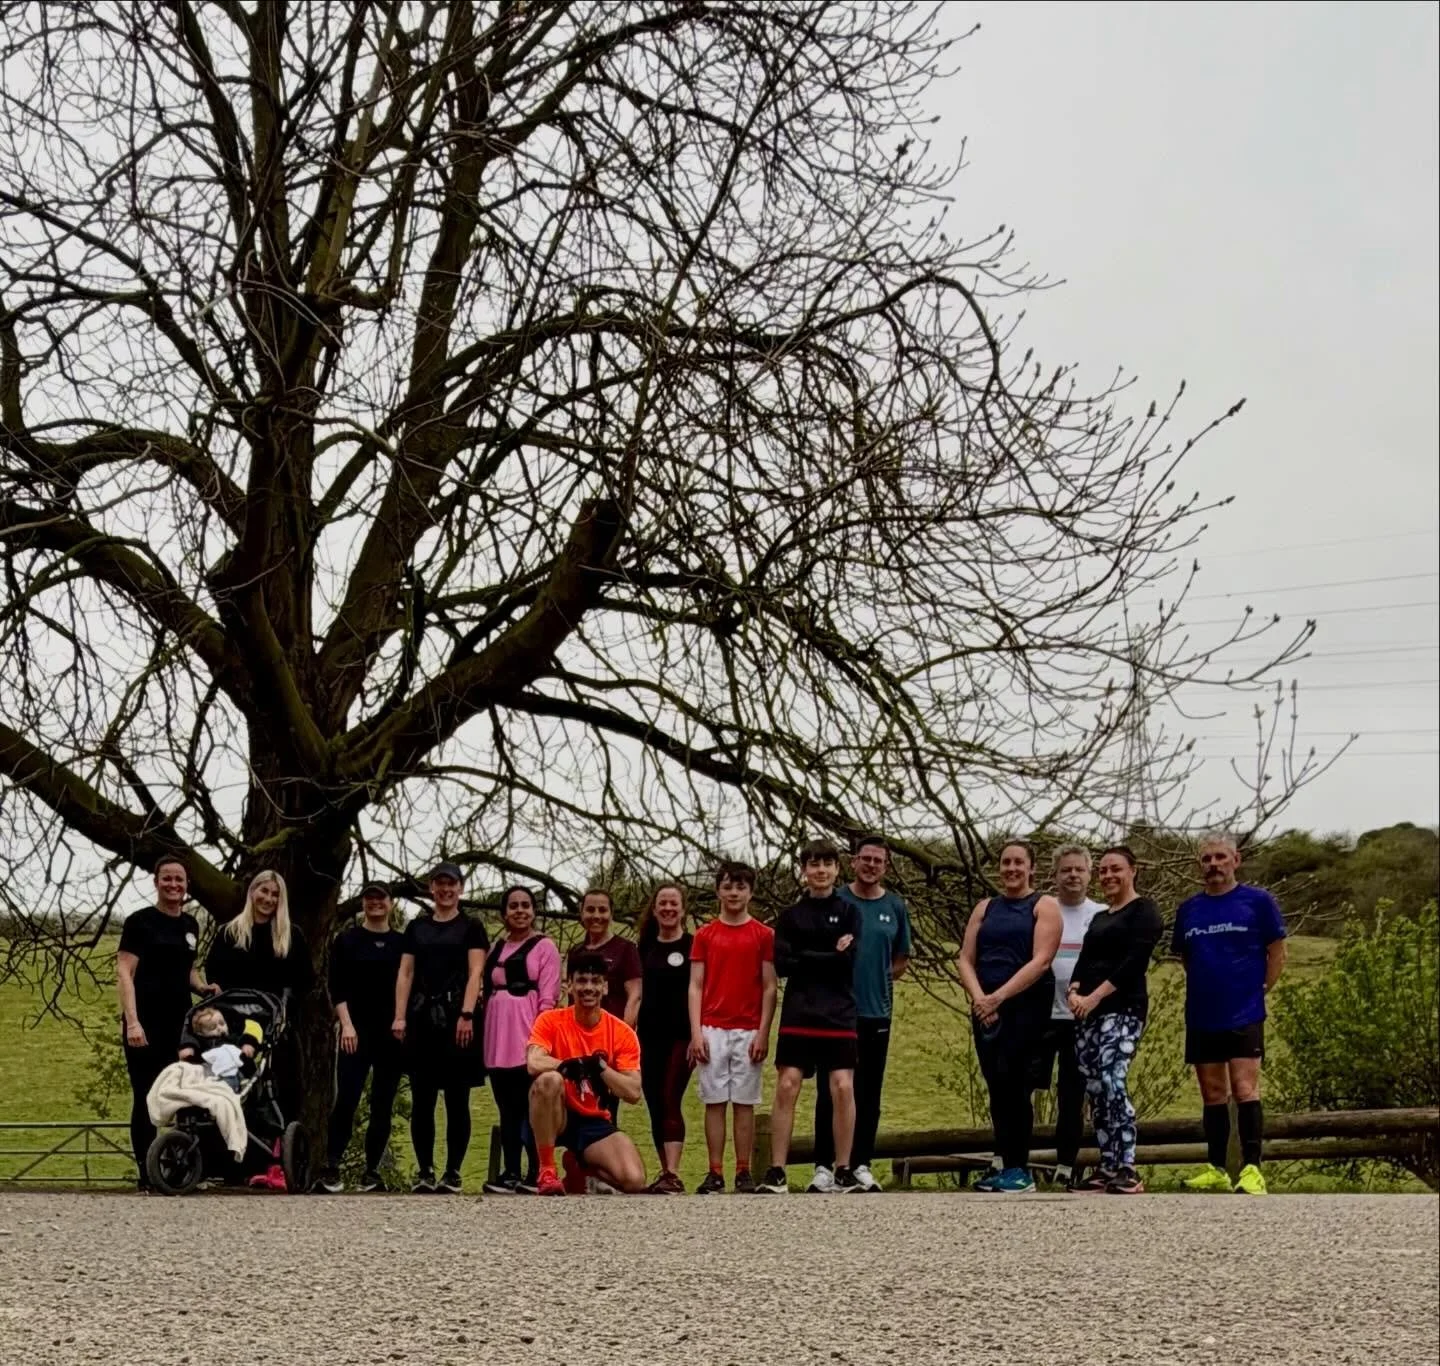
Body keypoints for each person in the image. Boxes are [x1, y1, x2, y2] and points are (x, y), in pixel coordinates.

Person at [1172, 832, 1287, 1196]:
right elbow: (1186, 957)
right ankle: (1216, 1168)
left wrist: (1260, 989)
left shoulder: (1258, 902)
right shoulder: (1188, 909)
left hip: (1244, 1011)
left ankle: (1252, 1169)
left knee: (1244, 1088)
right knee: (1212, 1093)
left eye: (1220, 857)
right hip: (1202, 1012)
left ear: (1235, 860)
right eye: (1207, 859)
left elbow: (1277, 952)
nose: (1214, 865)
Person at [755, 837, 861, 1195]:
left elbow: (848, 961)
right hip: (800, 1012)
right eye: (814, 864)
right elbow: (784, 965)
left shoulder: (850, 913)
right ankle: (777, 1171)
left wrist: (808, 955)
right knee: (787, 1086)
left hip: (839, 1012)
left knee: (842, 1087)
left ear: (836, 869)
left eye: (827, 863)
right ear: (803, 870)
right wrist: (829, 954)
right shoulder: (789, 916)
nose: (820, 870)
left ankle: (843, 1169)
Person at [956, 840, 1062, 1194]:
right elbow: (965, 958)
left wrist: (999, 998)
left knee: (1018, 1088)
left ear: (1031, 868)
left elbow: (1041, 960)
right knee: (997, 1087)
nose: (1011, 869)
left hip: (1025, 1008)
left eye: (1019, 862)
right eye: (1006, 862)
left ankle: (1020, 1169)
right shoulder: (985, 907)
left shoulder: (1044, 906)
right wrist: (980, 999)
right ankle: (1002, 1164)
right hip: (986, 1010)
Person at [811, 834, 912, 1193]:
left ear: (886, 866)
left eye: (878, 860)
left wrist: (879, 977)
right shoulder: (836, 900)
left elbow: (901, 959)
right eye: (865, 858)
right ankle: (824, 1166)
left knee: (869, 1092)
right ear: (853, 861)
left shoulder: (895, 906)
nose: (871, 865)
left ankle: (859, 1164)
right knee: (831, 1091)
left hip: (876, 1012)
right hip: (836, 1012)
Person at [1066, 846, 1164, 1195]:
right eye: (1104, 870)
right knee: (1094, 1087)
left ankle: (1127, 1166)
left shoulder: (1145, 911)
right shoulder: (1099, 918)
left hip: (1123, 1010)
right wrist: (1074, 991)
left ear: (1133, 871)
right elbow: (1085, 960)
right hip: (1088, 1015)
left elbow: (1134, 963)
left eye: (1116, 869)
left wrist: (1095, 997)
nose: (1108, 876)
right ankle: (1107, 1165)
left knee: (1112, 1078)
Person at [116, 857, 217, 1189]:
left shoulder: (190, 925)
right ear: (156, 882)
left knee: (185, 1096)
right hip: (145, 1023)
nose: (174, 884)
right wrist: (132, 1022)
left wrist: (202, 987)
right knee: (147, 1096)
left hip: (181, 1025)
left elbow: (187, 969)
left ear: (187, 885)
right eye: (167, 878)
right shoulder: (140, 922)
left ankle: (182, 1172)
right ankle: (147, 1174)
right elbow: (125, 972)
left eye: (179, 879)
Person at [392, 862, 488, 1194]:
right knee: (423, 1099)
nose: (446, 890)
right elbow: (405, 972)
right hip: (422, 1019)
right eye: (440, 884)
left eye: (452, 884)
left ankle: (453, 1171)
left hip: (457, 1019)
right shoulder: (416, 927)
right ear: (431, 888)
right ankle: (425, 1170)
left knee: (457, 1100)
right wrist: (400, 1016)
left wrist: (467, 1014)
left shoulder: (471, 926)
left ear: (460, 888)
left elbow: (476, 972)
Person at [526, 952, 647, 1196]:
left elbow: (633, 1092)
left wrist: (600, 1068)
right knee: (549, 1079)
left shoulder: (621, 1032)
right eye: (581, 981)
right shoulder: (550, 1020)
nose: (588, 988)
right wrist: (568, 1065)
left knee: (634, 1181)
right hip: (555, 1113)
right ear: (569, 985)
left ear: (605, 987)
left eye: (595, 981)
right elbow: (534, 1061)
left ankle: (580, 1168)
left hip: (593, 1118)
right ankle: (547, 1171)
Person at [688, 861, 777, 1194]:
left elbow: (769, 986)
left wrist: (763, 1031)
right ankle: (715, 1171)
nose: (734, 893)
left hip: (748, 1028)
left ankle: (742, 1170)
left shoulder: (764, 935)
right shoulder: (705, 935)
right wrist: (696, 1032)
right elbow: (695, 985)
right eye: (728, 886)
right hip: (712, 1027)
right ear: (718, 891)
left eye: (740, 887)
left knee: (744, 1101)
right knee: (714, 1101)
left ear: (750, 892)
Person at [204, 869, 314, 1125]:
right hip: (234, 1024)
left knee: (285, 1090)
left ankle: (279, 1142)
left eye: (275, 894)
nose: (268, 899)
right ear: (253, 892)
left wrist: (286, 1007)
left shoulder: (292, 936)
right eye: (264, 891)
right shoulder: (229, 934)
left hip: (277, 1025)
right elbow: (215, 975)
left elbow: (305, 980)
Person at [317, 883, 406, 1194]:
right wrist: (346, 1025)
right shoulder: (347, 940)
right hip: (355, 1031)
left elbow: (409, 983)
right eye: (370, 898)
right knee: (347, 1099)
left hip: (391, 1033)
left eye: (381, 898)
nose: (375, 903)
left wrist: (401, 1020)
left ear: (391, 903)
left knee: (383, 1103)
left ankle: (372, 1171)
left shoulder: (401, 943)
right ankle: (332, 1166)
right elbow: (337, 985)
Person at [481, 884, 562, 1195]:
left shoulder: (544, 947)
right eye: (513, 905)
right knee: (507, 1108)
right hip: (497, 1035)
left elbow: (548, 997)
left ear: (534, 911)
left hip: (527, 1033)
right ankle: (511, 1169)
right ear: (504, 913)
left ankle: (536, 1170)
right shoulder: (497, 947)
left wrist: (540, 1039)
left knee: (530, 1106)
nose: (519, 911)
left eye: (525, 905)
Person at [1031, 845, 1103, 1189]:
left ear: (1089, 874)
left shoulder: (1101, 914)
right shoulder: (1042, 911)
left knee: (1072, 1096)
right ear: (1055, 874)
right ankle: (1012, 1160)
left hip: (1081, 1016)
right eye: (1066, 870)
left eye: (1079, 869)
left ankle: (1066, 1165)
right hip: (1042, 1015)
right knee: (1022, 1089)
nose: (1072, 875)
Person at [634, 883, 696, 1193]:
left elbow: (701, 991)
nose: (669, 908)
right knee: (655, 1102)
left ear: (683, 909)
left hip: (682, 1036)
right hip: (647, 1037)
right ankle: (665, 1172)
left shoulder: (693, 946)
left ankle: (673, 1172)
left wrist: (698, 1035)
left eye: (674, 903)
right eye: (663, 903)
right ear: (655, 909)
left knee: (671, 1096)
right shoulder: (643, 947)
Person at [564, 888, 642, 1027]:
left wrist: (624, 1030)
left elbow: (635, 996)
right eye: (590, 910)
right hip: (580, 1032)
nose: (596, 915)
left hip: (613, 1030)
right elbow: (572, 996)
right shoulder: (576, 951)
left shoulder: (626, 949)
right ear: (582, 913)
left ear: (611, 914)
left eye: (602, 910)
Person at [178, 1005, 263, 1091]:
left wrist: (249, 1044)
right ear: (201, 1033)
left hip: (237, 1070)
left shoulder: (232, 1038)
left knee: (232, 1080)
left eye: (222, 1023)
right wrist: (188, 1052)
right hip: (211, 1073)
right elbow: (194, 1051)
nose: (219, 1028)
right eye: (212, 1027)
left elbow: (245, 1038)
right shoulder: (202, 1043)